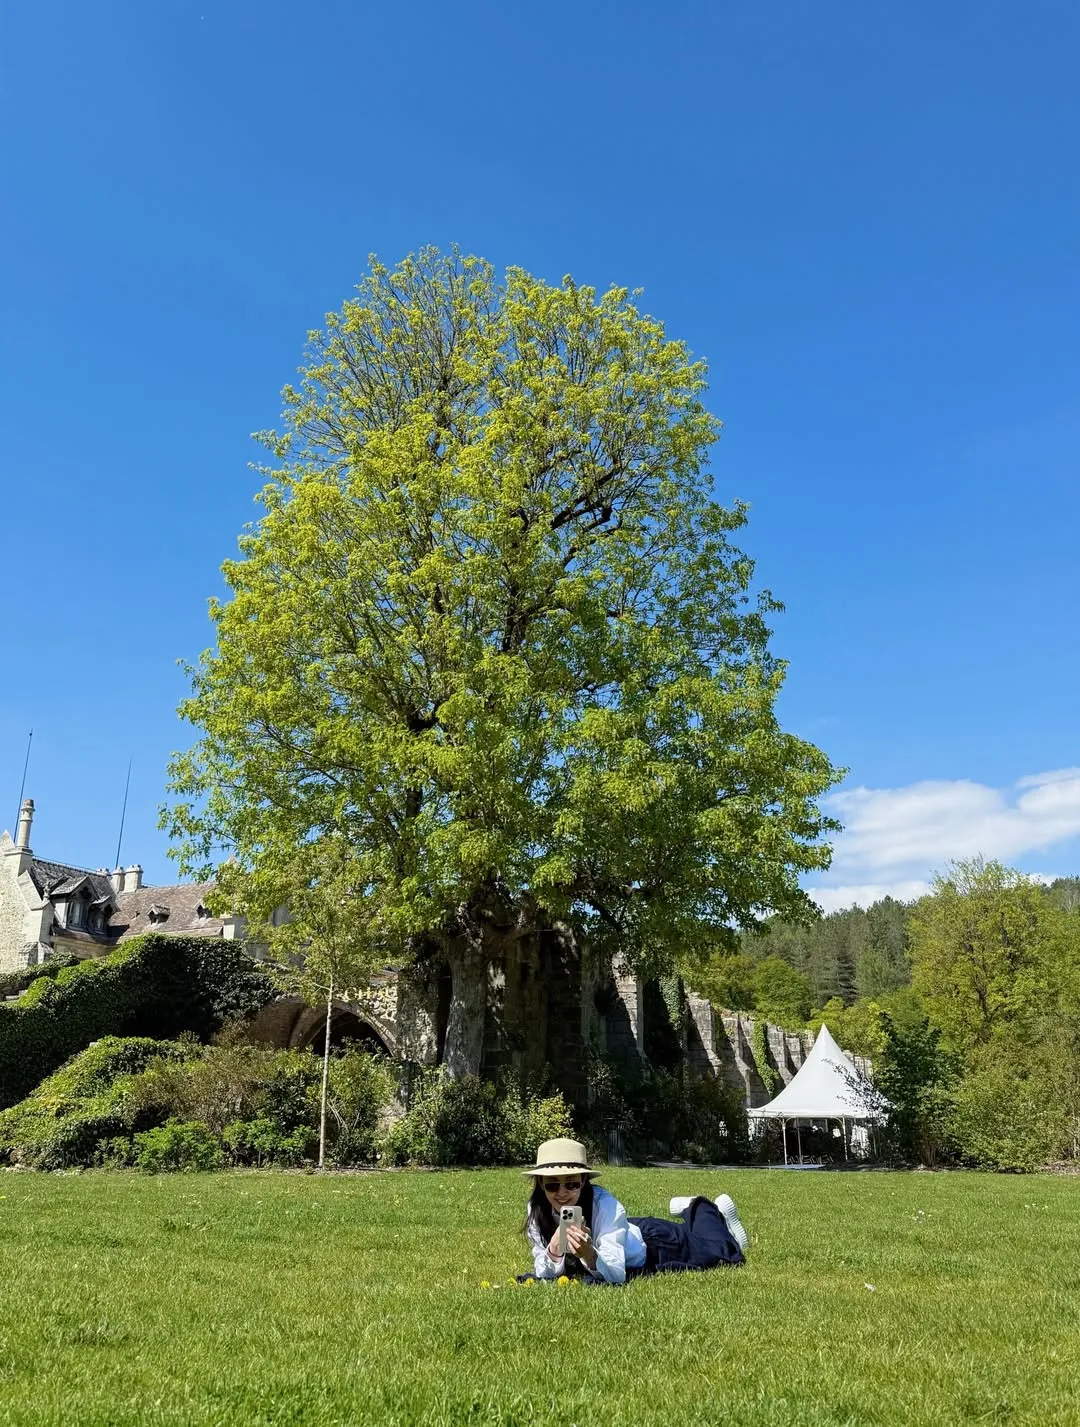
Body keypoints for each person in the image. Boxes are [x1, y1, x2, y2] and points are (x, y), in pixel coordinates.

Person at [521, 1137, 749, 1285]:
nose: (561, 1193)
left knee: (717, 1252)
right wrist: (552, 1251)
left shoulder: (605, 1205)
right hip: (624, 1230)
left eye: (570, 1184)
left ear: (583, 1181)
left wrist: (589, 1254)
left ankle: (702, 1209)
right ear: (541, 1185)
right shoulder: (537, 1211)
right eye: (552, 1185)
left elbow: (617, 1274)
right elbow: (544, 1271)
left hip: (654, 1242)